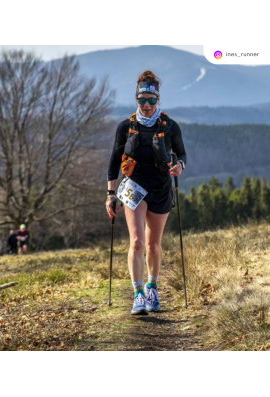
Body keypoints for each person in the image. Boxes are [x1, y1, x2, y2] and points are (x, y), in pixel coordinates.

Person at [106, 70, 187, 315]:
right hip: (133, 186)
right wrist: (110, 194)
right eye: (143, 100)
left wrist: (179, 166)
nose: (148, 105)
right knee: (137, 241)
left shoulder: (170, 126)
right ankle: (138, 294)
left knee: (153, 245)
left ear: (158, 100)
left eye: (152, 100)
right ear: (136, 100)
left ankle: (152, 286)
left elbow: (182, 154)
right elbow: (113, 161)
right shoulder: (126, 127)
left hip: (161, 187)